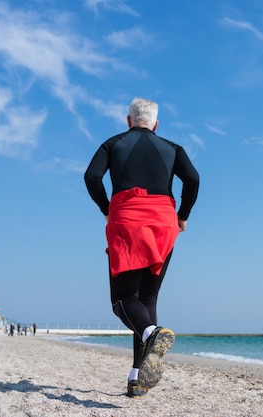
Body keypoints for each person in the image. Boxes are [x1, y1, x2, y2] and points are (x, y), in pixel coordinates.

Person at [84, 97, 199, 398]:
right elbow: (193, 179)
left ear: (128, 120)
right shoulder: (173, 148)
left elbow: (91, 176)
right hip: (164, 224)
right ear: (156, 124)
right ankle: (136, 378)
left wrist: (106, 208)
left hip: (128, 220)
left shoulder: (114, 143)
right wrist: (183, 216)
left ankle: (152, 333)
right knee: (147, 298)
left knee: (122, 299)